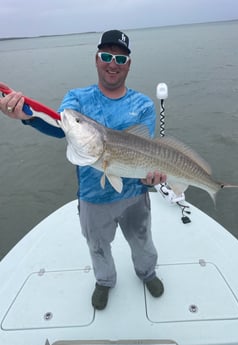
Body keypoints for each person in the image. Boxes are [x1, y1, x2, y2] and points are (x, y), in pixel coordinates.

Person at [0, 29, 166, 310]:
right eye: (106, 56)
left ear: (129, 64)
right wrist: (27, 117)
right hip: (92, 197)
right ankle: (104, 281)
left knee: (142, 241)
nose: (112, 64)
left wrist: (153, 176)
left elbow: (145, 153)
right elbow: (58, 126)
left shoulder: (143, 104)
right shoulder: (76, 100)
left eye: (120, 58)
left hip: (135, 195)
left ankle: (146, 272)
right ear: (96, 59)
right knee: (97, 247)